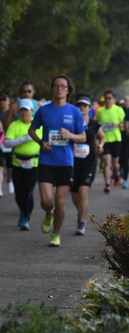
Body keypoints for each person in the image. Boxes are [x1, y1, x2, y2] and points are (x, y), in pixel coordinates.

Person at [29, 74, 86, 247]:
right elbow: (31, 130)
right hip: (46, 160)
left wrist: (70, 135)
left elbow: (83, 137)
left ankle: (55, 234)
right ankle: (49, 213)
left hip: (65, 162)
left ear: (68, 90)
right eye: (56, 85)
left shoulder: (74, 111)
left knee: (60, 201)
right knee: (47, 201)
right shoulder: (44, 110)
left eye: (63, 86)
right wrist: (41, 142)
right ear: (52, 89)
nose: (59, 88)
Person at [3, 99, 41, 230]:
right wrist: (24, 139)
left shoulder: (39, 125)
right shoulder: (14, 125)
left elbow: (46, 140)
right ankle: (24, 212)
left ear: (32, 111)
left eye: (26, 110)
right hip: (18, 162)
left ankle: (25, 216)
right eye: (22, 110)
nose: (24, 113)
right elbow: (7, 143)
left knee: (27, 191)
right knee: (19, 193)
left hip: (34, 163)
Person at [71, 94, 104, 235]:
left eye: (84, 105)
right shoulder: (71, 123)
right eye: (79, 105)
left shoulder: (94, 124)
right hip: (73, 163)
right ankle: (81, 213)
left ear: (90, 108)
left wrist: (100, 145)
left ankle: (81, 222)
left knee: (83, 192)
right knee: (75, 195)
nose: (82, 107)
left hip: (89, 163)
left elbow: (102, 137)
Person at [96, 90, 126, 192]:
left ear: (114, 99)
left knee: (115, 163)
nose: (107, 100)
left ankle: (117, 174)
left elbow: (124, 125)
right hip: (105, 140)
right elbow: (97, 123)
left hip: (116, 139)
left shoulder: (119, 110)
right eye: (106, 98)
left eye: (110, 98)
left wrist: (117, 124)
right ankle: (107, 184)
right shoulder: (100, 111)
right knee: (106, 162)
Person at [0, 91, 14, 194]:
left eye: (4, 99)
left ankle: (10, 180)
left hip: (11, 141)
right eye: (0, 100)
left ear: (8, 101)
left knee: (10, 165)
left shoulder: (12, 112)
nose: (2, 102)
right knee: (0, 165)